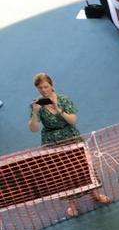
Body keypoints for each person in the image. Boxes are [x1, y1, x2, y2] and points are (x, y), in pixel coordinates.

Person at [28, 73, 112, 217]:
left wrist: (58, 109)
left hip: (71, 137)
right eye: (40, 88)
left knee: (84, 166)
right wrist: (35, 113)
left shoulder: (63, 99)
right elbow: (34, 129)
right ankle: (72, 205)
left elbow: (73, 121)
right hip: (52, 141)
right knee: (63, 172)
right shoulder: (36, 105)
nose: (43, 90)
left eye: (46, 86)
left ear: (52, 85)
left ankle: (95, 194)